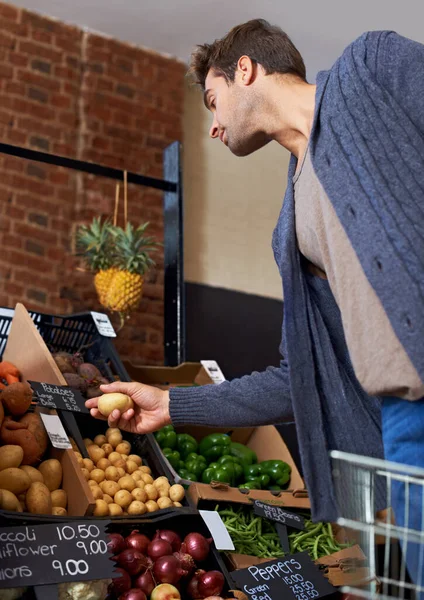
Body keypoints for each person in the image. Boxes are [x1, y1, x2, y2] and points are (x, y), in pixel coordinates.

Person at [87, 20, 424, 585]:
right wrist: (172, 405)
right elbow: (301, 377)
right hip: (402, 424)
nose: (214, 126)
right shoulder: (291, 230)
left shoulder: (370, 70)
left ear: (245, 69)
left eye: (214, 101)